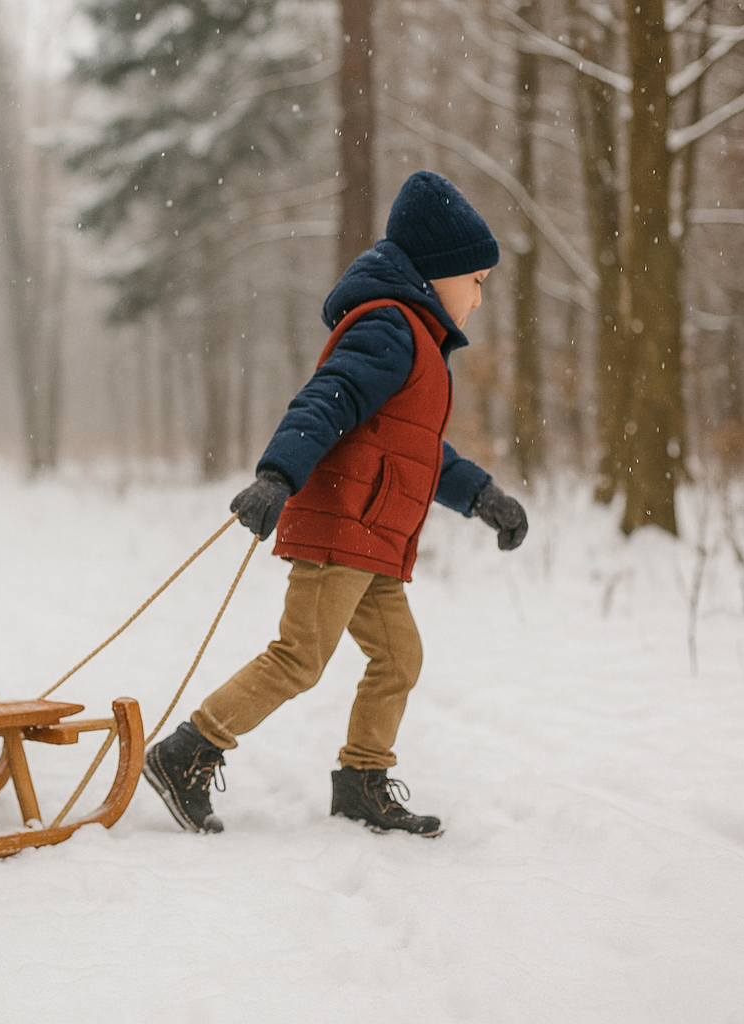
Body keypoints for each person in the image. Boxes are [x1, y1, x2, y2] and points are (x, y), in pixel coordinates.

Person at [144, 171, 528, 838]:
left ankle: (362, 782)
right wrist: (277, 475)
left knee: (398, 658)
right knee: (299, 657)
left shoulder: (421, 345)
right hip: (341, 530)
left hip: (374, 539)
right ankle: (188, 752)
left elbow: (418, 452)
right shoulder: (390, 328)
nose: (478, 296)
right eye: (476, 281)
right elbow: (328, 399)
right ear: (438, 273)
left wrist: (482, 496)